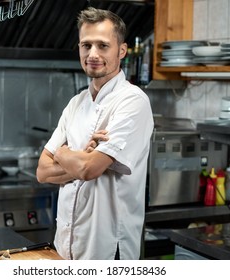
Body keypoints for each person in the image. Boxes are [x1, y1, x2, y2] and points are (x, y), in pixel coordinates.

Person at [36, 7, 154, 260]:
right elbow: (43, 172)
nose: (93, 54)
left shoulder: (133, 101)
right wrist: (79, 158)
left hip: (110, 249)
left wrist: (64, 153)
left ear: (121, 51)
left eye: (103, 45)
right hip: (67, 245)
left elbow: (90, 169)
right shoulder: (75, 103)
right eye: (86, 45)